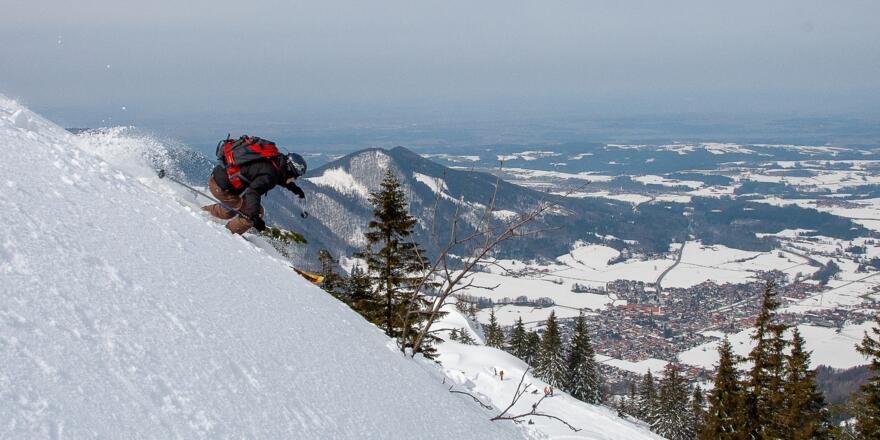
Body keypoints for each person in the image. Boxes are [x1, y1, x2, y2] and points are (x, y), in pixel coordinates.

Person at [203, 139, 307, 234]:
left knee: (233, 207)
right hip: (222, 187)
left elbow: (274, 176)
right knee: (252, 214)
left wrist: (294, 189)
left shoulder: (274, 160)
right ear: (289, 170)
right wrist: (254, 217)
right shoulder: (270, 174)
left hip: (219, 179)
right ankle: (227, 236)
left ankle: (203, 212)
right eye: (295, 175)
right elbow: (253, 192)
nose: (295, 178)